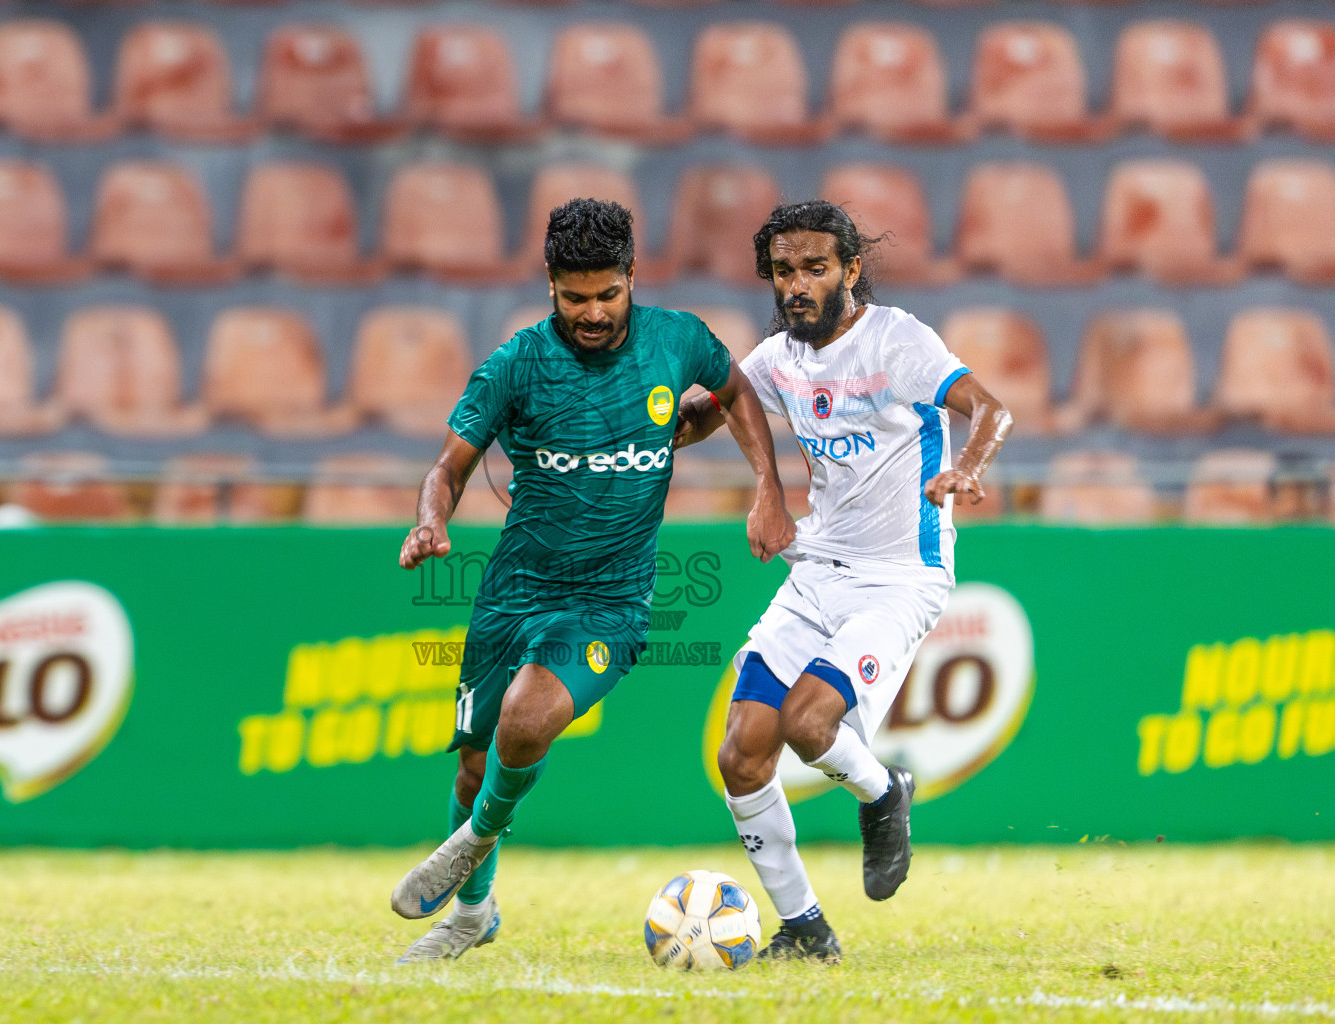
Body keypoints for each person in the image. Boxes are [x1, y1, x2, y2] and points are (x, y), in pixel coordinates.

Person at [389, 198, 796, 962]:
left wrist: (767, 486)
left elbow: (736, 390)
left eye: (608, 293)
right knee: (475, 763)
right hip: (513, 592)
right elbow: (447, 468)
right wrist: (429, 521)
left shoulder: (677, 340)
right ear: (550, 283)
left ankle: (475, 838)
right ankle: (473, 913)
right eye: (576, 298)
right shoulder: (515, 365)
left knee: (525, 719)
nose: (594, 312)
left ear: (633, 274)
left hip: (610, 603)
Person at [673, 200, 1012, 963]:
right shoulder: (779, 357)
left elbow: (992, 411)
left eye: (815, 268)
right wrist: (631, 432)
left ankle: (884, 791)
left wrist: (967, 468)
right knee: (741, 754)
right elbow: (713, 408)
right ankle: (804, 928)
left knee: (808, 723)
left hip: (900, 577)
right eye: (783, 271)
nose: (797, 285)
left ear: (851, 269)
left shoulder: (898, 341)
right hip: (817, 572)